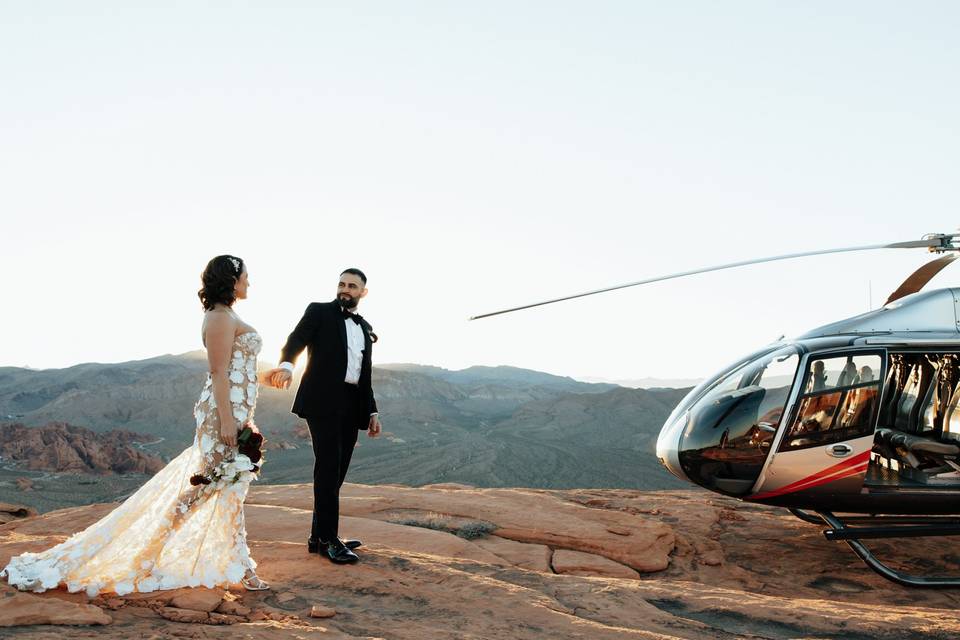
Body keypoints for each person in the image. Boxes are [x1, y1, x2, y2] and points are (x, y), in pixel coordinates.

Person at [2, 255, 271, 595]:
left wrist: (268, 378)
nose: (249, 282)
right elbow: (218, 372)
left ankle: (165, 556)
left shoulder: (229, 315)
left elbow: (239, 368)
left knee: (225, 487)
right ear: (231, 280)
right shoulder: (218, 317)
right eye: (246, 276)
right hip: (222, 414)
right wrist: (229, 422)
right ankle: (220, 565)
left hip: (235, 410)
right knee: (221, 486)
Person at [265, 268, 381, 564]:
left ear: (362, 293)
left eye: (352, 285)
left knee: (338, 470)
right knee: (328, 467)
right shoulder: (319, 311)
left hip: (352, 403)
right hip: (322, 401)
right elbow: (296, 339)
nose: (345, 288)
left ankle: (319, 536)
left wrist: (372, 410)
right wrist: (287, 365)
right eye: (342, 283)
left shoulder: (363, 326)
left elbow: (363, 374)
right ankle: (330, 540)